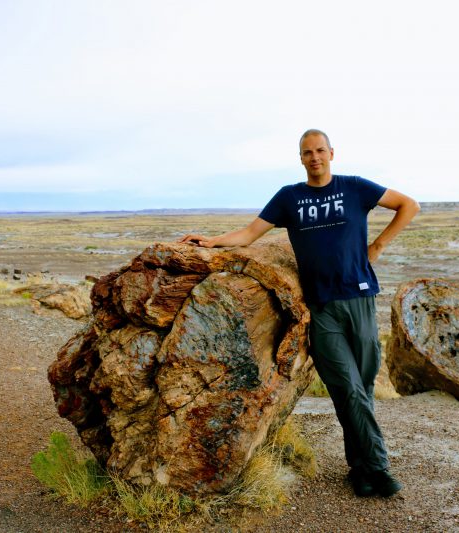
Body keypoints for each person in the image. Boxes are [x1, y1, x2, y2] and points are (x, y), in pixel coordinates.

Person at [180, 129, 420, 497]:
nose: (315, 158)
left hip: (360, 301)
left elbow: (409, 205)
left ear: (332, 153)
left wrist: (378, 245)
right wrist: (212, 241)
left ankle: (359, 469)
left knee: (362, 388)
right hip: (321, 308)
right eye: (307, 153)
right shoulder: (290, 198)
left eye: (320, 151)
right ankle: (380, 469)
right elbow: (249, 234)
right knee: (349, 388)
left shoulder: (355, 187)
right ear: (301, 158)